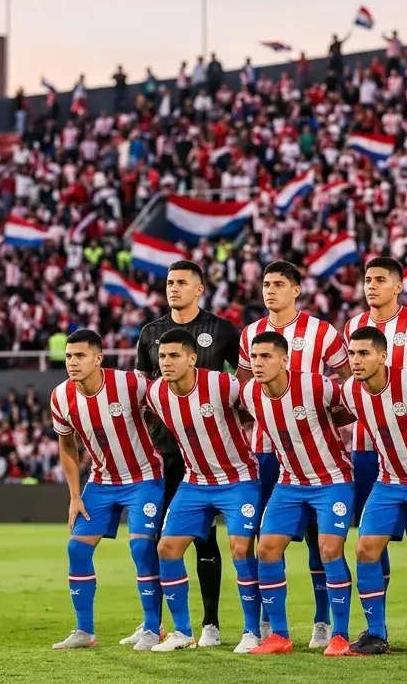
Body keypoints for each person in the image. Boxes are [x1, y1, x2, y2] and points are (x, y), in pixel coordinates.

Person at [237, 260, 350, 649]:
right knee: (267, 544)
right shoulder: (250, 334)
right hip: (273, 456)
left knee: (325, 544)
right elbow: (243, 390)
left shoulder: (322, 332)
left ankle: (326, 623)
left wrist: (324, 422)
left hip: (323, 460)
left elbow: (349, 388)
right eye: (266, 284)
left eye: (279, 284)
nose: (270, 291)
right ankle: (271, 626)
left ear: (296, 290)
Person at [132, 260, 240, 649]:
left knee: (206, 540)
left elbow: (243, 386)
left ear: (199, 289)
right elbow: (143, 396)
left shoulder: (222, 331)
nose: (173, 288)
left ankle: (210, 623)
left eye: (182, 282)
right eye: (169, 282)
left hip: (210, 455)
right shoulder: (150, 333)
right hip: (164, 452)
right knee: (157, 538)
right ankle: (154, 624)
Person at [343, 257, 407, 652]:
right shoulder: (353, 328)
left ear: (398, 286)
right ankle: (376, 631)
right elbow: (343, 394)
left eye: (380, 280)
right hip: (375, 454)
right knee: (369, 547)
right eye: (367, 280)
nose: (371, 286)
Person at [48, 329, 165, 651]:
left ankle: (154, 628)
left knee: (142, 549)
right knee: (77, 549)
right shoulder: (61, 396)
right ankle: (84, 631)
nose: (72, 362)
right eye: (69, 356)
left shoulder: (130, 384)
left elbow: (166, 408)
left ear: (98, 358)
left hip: (144, 477)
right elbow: (67, 447)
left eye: (80, 356)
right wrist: (74, 497)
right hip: (101, 482)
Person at [145, 329, 261, 653]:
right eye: (162, 356)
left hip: (238, 478)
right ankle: (182, 632)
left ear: (192, 358)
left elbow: (256, 406)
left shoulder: (222, 384)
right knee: (166, 548)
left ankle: (253, 631)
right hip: (195, 481)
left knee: (240, 548)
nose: (166, 362)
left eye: (174, 356)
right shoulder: (156, 393)